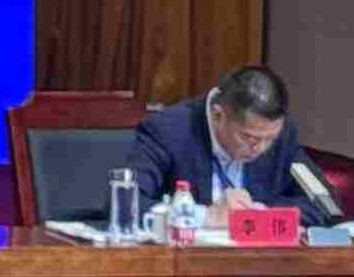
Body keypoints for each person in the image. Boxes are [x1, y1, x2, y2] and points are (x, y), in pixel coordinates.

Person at [130, 64, 323, 218]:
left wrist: (263, 214)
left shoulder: (281, 132)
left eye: (270, 139)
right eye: (249, 138)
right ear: (217, 115)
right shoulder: (168, 131)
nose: (261, 148)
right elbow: (127, 202)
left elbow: (324, 204)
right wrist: (205, 216)